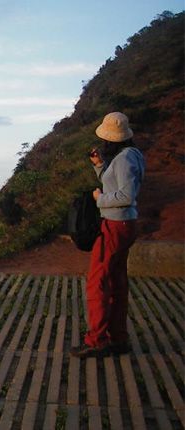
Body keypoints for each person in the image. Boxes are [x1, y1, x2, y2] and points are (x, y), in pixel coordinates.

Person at [70, 112, 145, 358]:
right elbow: (116, 184)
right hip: (125, 225)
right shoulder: (131, 156)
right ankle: (118, 337)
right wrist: (99, 166)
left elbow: (125, 195)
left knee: (98, 281)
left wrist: (98, 199)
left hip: (115, 226)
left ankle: (97, 340)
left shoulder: (124, 160)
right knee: (116, 280)